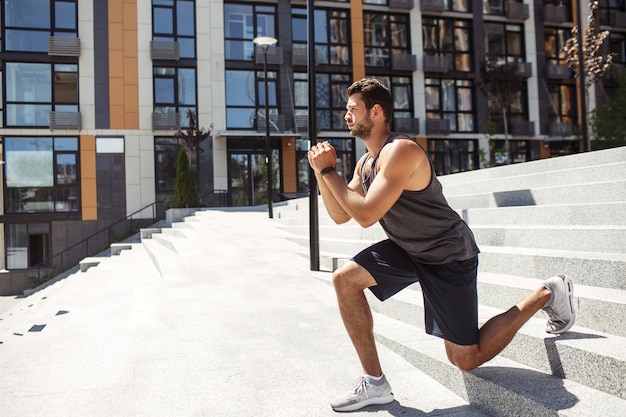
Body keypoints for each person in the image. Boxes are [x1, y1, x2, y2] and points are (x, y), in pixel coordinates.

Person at [307, 78, 576, 412]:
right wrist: (322, 173)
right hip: (409, 249)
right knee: (344, 279)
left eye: (352, 109)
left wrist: (329, 170)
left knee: (465, 357)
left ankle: (548, 293)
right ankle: (374, 382)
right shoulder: (366, 164)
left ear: (375, 112)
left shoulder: (400, 150)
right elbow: (339, 215)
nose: (346, 116)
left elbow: (365, 216)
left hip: (448, 254)